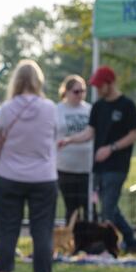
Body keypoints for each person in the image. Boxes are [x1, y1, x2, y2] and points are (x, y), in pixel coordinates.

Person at [0, 60, 58, 272]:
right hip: (43, 176)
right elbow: (54, 136)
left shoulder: (7, 108)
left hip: (9, 175)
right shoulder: (50, 107)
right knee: (42, 230)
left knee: (7, 229)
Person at [59, 66, 136, 254]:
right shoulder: (98, 107)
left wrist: (111, 148)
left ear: (110, 83)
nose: (97, 90)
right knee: (108, 208)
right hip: (98, 166)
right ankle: (126, 241)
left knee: (108, 208)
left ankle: (116, 245)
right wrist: (69, 140)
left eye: (100, 86)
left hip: (117, 166)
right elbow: (90, 132)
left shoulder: (126, 105)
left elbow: (135, 133)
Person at [54, 75, 93, 220]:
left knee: (88, 207)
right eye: (76, 91)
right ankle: (71, 239)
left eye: (83, 91)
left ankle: (89, 239)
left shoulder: (89, 109)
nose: (80, 95)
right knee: (72, 208)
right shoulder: (57, 110)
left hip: (86, 167)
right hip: (65, 167)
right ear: (67, 92)